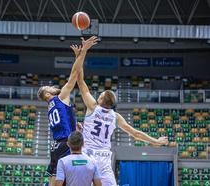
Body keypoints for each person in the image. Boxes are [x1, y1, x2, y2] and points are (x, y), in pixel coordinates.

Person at [70, 46, 169, 186]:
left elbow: (80, 81)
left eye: (101, 94)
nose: (99, 94)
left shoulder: (92, 107)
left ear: (101, 100)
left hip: (87, 155)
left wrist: (79, 56)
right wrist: (156, 141)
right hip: (103, 158)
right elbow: (136, 134)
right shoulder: (115, 117)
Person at [37, 36, 98, 186]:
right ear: (47, 94)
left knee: (53, 180)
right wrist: (83, 51)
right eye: (49, 87)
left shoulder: (50, 107)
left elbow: (65, 119)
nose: (52, 87)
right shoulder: (60, 97)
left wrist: (74, 124)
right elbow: (74, 75)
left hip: (56, 145)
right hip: (67, 144)